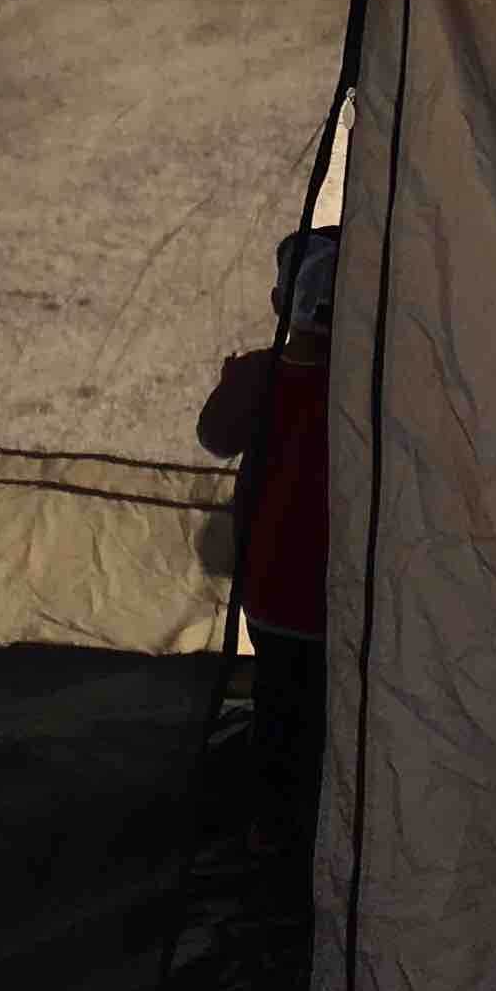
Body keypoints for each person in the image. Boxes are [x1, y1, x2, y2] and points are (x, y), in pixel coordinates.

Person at [199, 227, 338, 781]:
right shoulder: (369, 385)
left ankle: (270, 829)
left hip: (272, 590)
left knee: (279, 711)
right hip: (342, 596)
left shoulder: (260, 376)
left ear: (279, 301)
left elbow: (214, 438)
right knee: (323, 717)